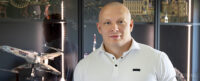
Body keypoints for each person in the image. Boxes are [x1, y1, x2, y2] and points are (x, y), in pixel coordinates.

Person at [74, 2, 177, 81]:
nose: (114, 28)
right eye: (107, 23)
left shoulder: (158, 59)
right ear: (99, 28)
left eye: (120, 22)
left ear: (131, 25)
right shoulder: (84, 67)